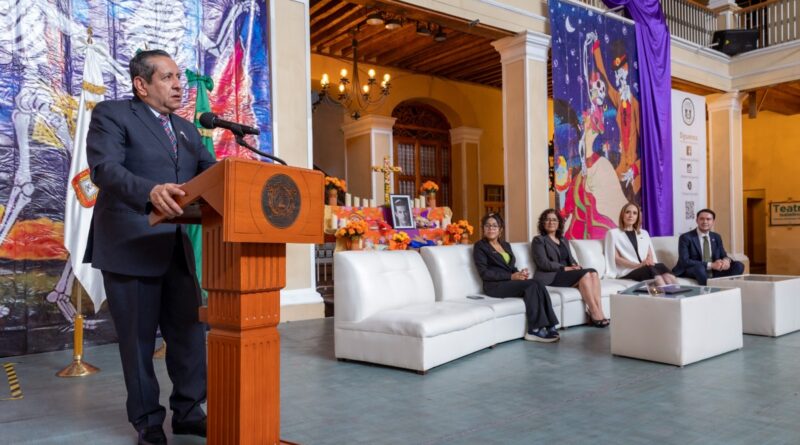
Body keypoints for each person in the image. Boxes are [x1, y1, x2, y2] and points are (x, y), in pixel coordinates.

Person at [84, 49, 216, 445]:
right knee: (138, 342)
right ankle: (147, 423)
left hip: (175, 247)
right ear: (141, 85)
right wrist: (150, 191)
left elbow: (211, 174)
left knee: (189, 336)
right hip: (130, 245)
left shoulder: (187, 130)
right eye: (168, 77)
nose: (179, 85)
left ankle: (189, 412)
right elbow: (105, 169)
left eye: (179, 77)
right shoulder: (112, 114)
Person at [472, 213, 560, 342]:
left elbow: (511, 267)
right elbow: (484, 273)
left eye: (495, 226)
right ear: (483, 228)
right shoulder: (480, 246)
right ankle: (534, 331)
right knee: (532, 285)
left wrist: (520, 274)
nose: (491, 228)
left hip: (509, 281)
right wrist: (511, 276)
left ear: (500, 230)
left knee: (537, 282)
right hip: (494, 286)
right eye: (487, 225)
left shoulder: (506, 245)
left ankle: (550, 325)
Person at [532, 209, 608, 328]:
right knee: (585, 275)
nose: (551, 222)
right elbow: (543, 263)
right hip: (551, 276)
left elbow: (570, 258)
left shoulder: (563, 240)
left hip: (566, 272)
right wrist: (564, 268)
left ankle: (599, 310)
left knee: (593, 272)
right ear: (542, 223)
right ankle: (594, 312)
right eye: (547, 219)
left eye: (554, 220)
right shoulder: (539, 240)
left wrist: (575, 266)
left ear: (559, 223)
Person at [604, 203, 678, 286]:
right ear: (622, 215)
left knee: (661, 266)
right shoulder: (613, 233)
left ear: (637, 217)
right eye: (628, 212)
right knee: (651, 271)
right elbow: (616, 258)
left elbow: (649, 254)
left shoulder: (644, 233)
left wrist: (648, 262)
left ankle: (679, 291)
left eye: (634, 213)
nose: (631, 216)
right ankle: (665, 293)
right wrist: (638, 265)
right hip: (628, 270)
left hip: (645, 267)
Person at [672, 209, 745, 285]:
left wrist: (726, 260)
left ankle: (726, 287)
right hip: (692, 269)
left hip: (714, 271)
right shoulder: (686, 237)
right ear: (697, 221)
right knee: (700, 268)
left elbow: (723, 255)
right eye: (701, 219)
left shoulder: (716, 237)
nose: (705, 222)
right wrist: (711, 265)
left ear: (713, 221)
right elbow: (685, 261)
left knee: (739, 265)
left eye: (708, 219)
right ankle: (709, 290)